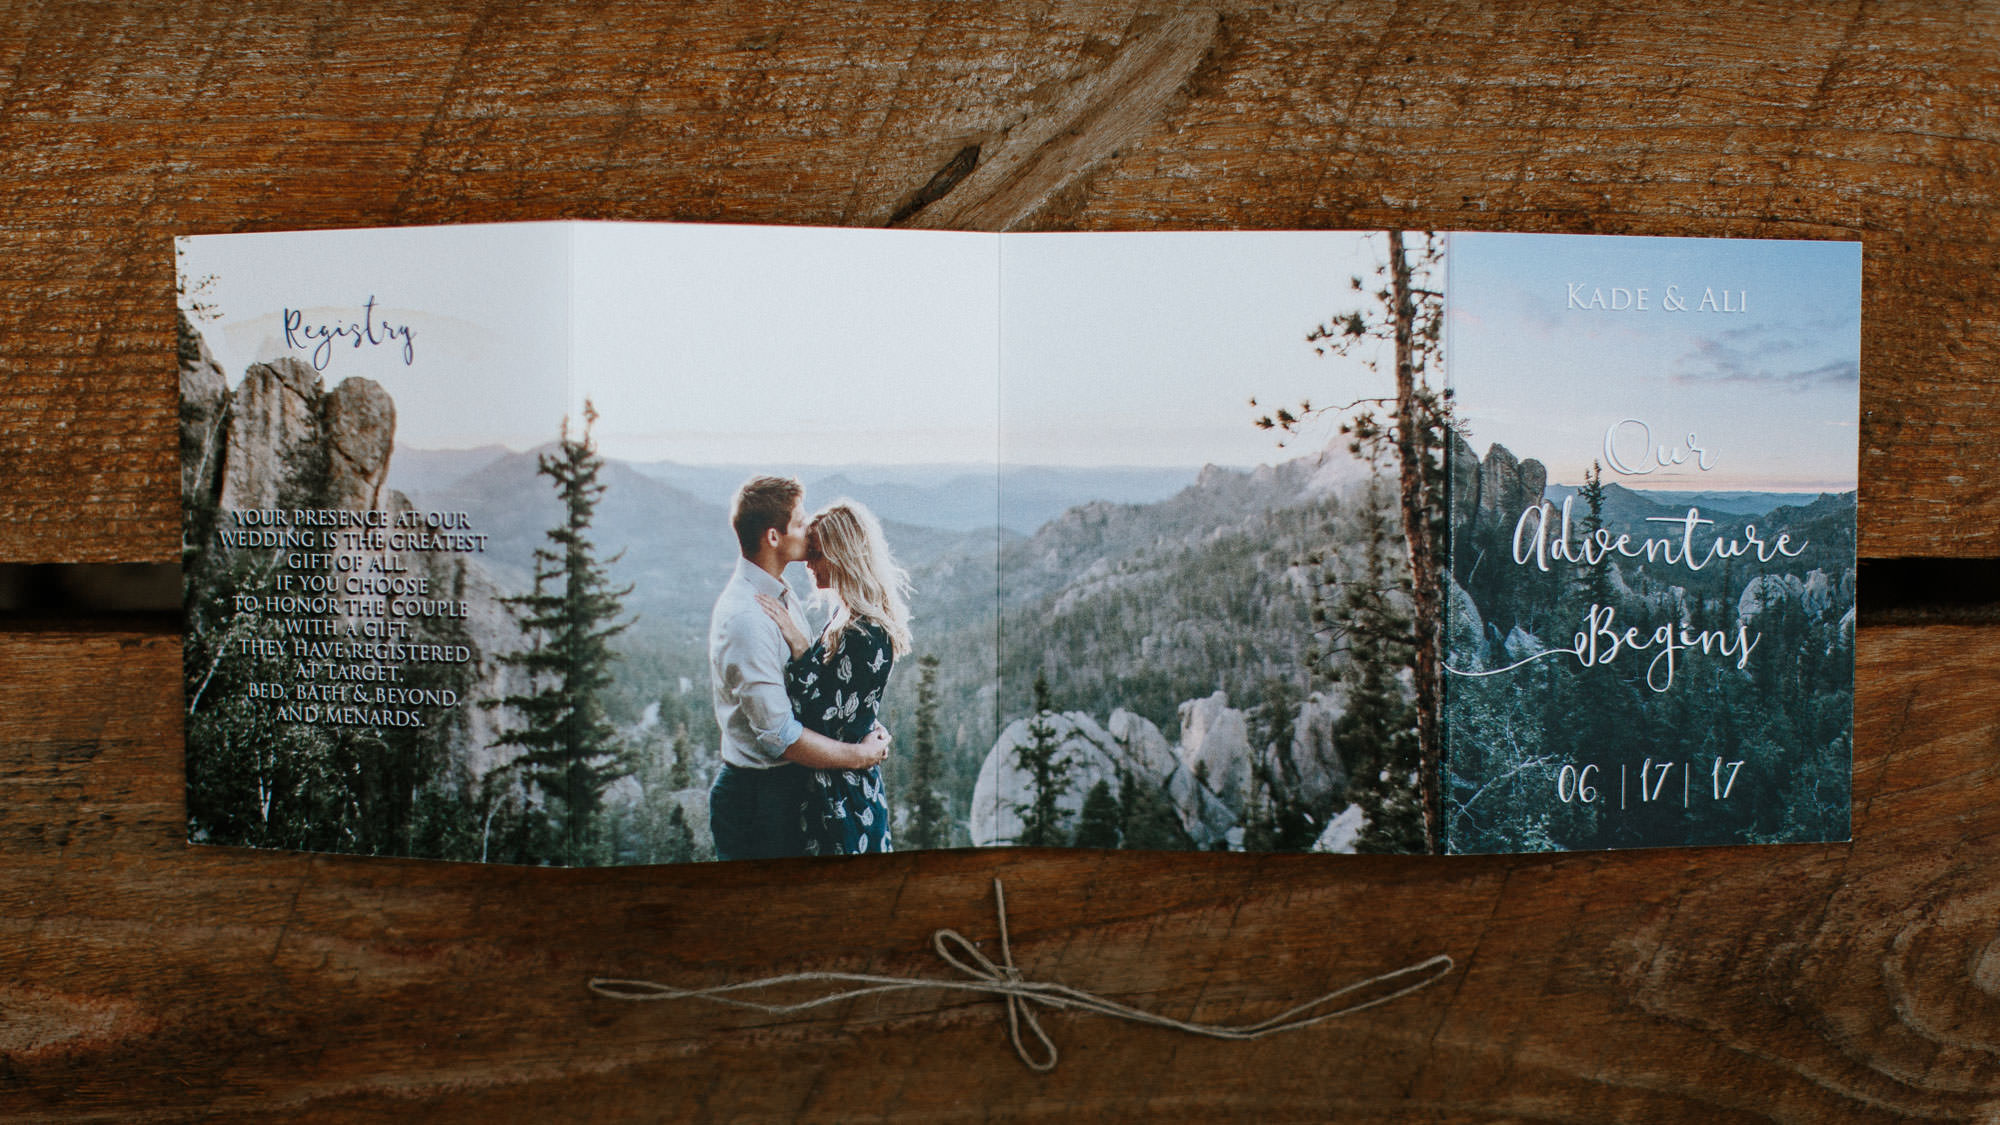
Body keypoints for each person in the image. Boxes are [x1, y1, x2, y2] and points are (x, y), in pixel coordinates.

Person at [708, 477, 890, 861]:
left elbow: (826, 691)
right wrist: (860, 755)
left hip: (787, 790)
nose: (809, 529)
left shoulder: (777, 596)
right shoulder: (748, 617)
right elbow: (780, 736)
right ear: (774, 537)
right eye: (800, 520)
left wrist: (862, 722)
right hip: (758, 800)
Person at [757, 500, 910, 857]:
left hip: (840, 800)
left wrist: (798, 646)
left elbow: (819, 719)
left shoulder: (863, 633)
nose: (808, 563)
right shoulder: (851, 619)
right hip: (845, 786)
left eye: (817, 554)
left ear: (843, 556)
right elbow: (847, 704)